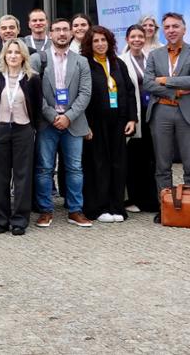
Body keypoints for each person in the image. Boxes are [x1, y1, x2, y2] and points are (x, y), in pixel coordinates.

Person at [142, 12, 190, 222]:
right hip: (161, 111)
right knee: (162, 165)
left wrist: (164, 80)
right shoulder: (155, 55)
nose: (171, 30)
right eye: (167, 27)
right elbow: (148, 83)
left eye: (175, 26)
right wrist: (174, 90)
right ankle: (166, 208)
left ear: (184, 28)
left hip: (188, 112)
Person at [32, 18, 93, 228]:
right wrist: (52, 115)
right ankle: (45, 211)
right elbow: (34, 93)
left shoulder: (81, 61)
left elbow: (85, 93)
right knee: (44, 168)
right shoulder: (37, 59)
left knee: (75, 168)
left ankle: (75, 210)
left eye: (65, 30)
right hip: (46, 123)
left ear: (71, 33)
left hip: (73, 122)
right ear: (50, 34)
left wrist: (68, 116)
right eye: (57, 30)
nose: (61, 33)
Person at [0, 39, 41, 235]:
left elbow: (37, 107)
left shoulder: (32, 78)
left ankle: (19, 219)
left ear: (23, 56)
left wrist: (35, 130)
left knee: (22, 176)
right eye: (10, 52)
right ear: (4, 56)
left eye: (17, 52)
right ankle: (0, 219)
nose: (13, 55)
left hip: (23, 130)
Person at [82, 26, 137, 222]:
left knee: (118, 164)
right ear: (90, 44)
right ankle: (99, 207)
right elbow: (80, 95)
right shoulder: (85, 64)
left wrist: (132, 118)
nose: (100, 44)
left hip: (118, 123)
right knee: (98, 164)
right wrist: (84, 125)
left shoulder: (118, 63)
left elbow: (129, 91)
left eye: (103, 40)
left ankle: (116, 206)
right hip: (95, 124)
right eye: (95, 41)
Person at [118, 25, 156, 213]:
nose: (137, 40)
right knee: (134, 158)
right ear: (127, 39)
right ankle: (133, 198)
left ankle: (150, 198)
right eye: (133, 37)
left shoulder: (152, 59)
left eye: (140, 36)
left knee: (152, 157)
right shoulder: (121, 61)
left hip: (153, 114)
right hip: (135, 116)